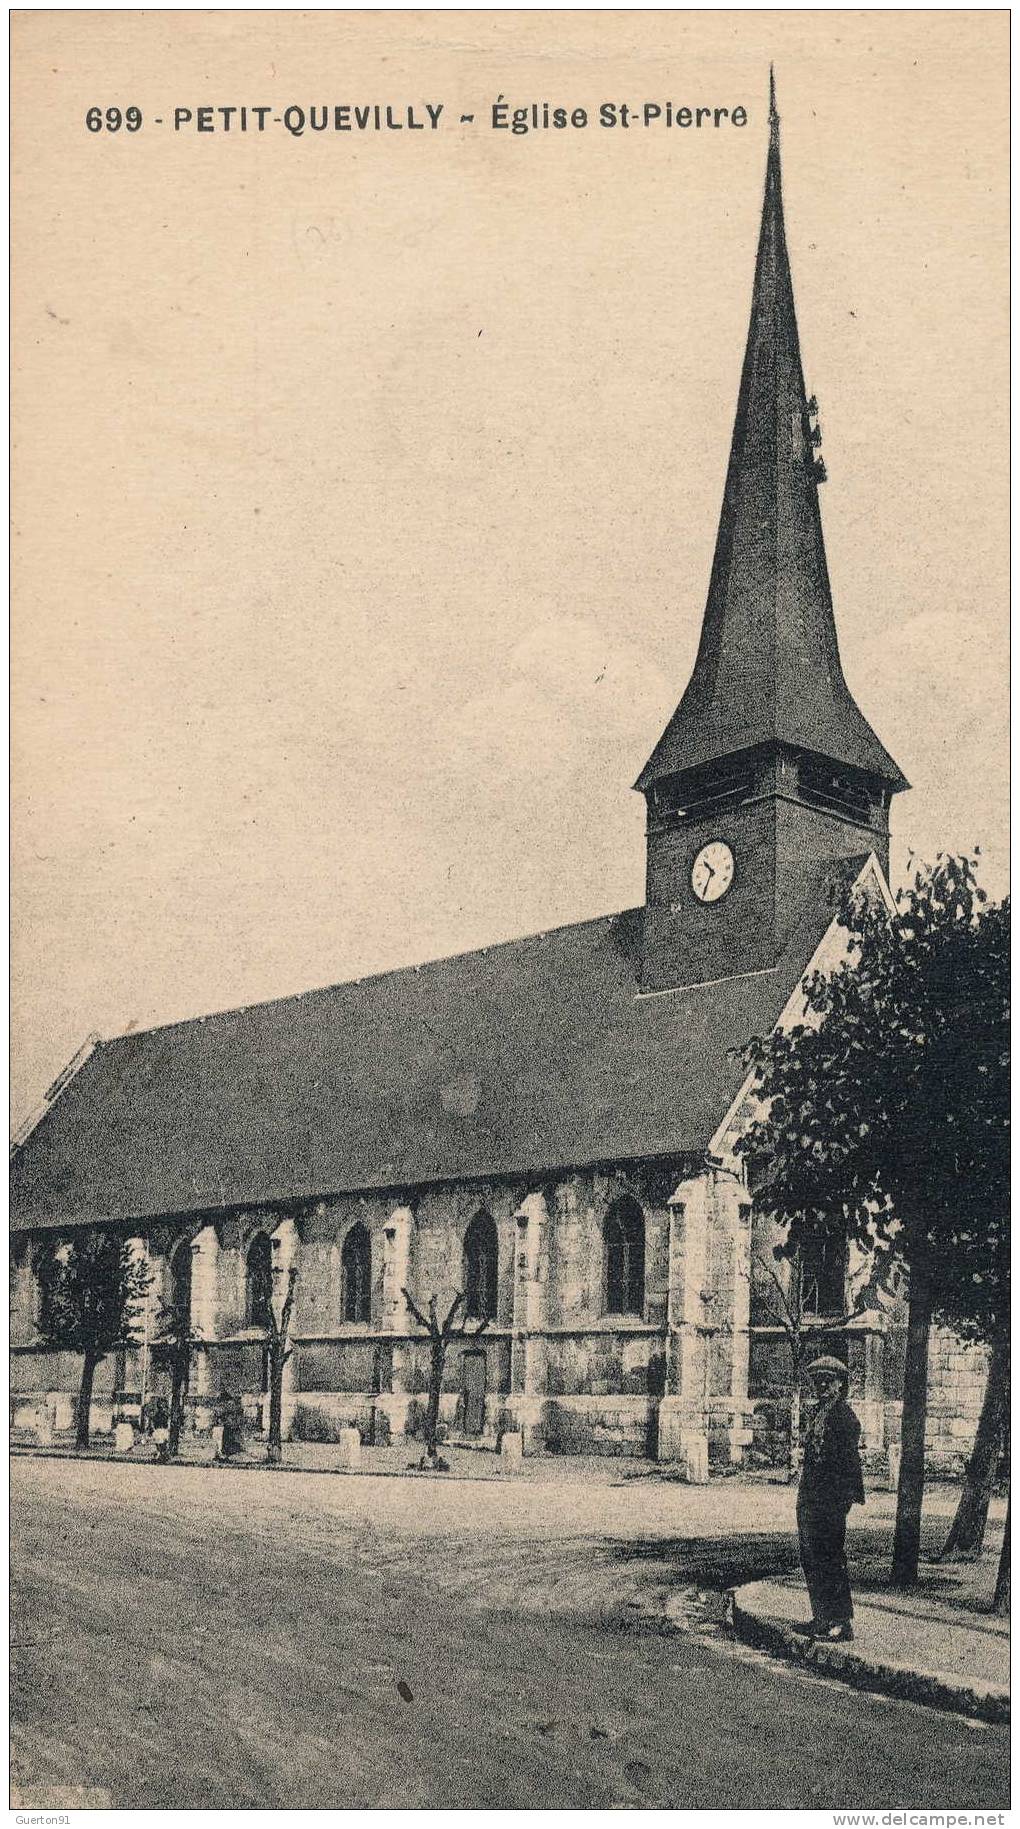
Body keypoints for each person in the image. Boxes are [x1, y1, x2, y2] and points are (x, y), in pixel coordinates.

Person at [797, 1354, 865, 1641]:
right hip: (811, 1495)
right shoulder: (818, 1413)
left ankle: (842, 1622)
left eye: (829, 1381)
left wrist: (842, 1500)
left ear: (841, 1385)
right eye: (818, 1381)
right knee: (811, 1556)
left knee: (831, 1556)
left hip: (831, 1498)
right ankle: (822, 1617)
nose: (823, 1386)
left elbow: (846, 1464)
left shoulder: (845, 1418)